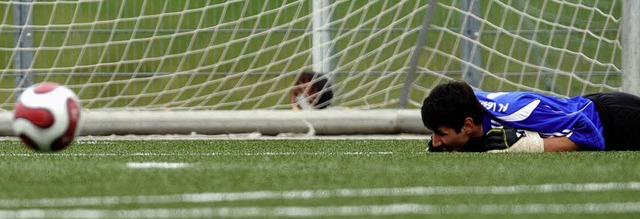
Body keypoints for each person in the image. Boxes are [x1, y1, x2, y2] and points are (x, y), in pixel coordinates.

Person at [420, 80, 640, 152]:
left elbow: (590, 134)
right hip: (593, 106)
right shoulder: (465, 107)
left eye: (440, 134)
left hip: (616, 119)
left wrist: (534, 145)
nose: (435, 141)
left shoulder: (520, 112)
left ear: (467, 125)